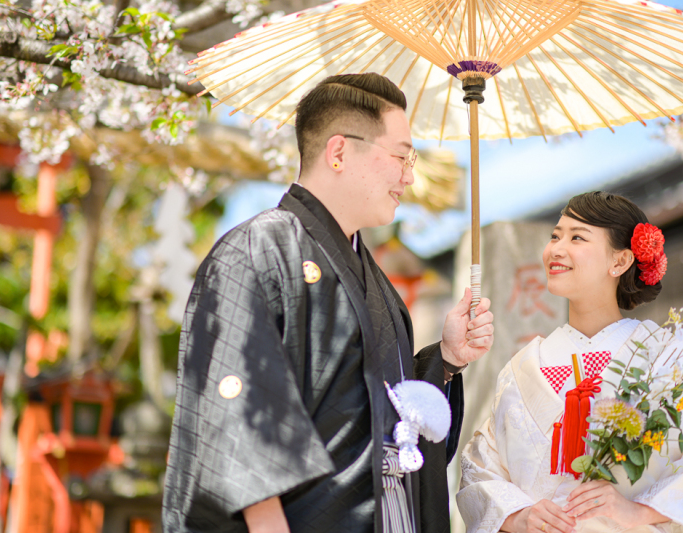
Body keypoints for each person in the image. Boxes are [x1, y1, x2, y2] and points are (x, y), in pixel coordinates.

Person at [162, 73, 495, 533]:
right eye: (401, 156)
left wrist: (447, 361)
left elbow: (386, 416)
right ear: (338, 152)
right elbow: (235, 418)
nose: (410, 176)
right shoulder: (259, 250)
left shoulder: (371, 276)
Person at [457, 192, 683, 533]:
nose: (556, 248)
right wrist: (517, 514)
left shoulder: (668, 358)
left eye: (577, 237)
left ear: (620, 261)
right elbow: (481, 465)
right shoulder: (521, 368)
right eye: (555, 236)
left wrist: (640, 510)